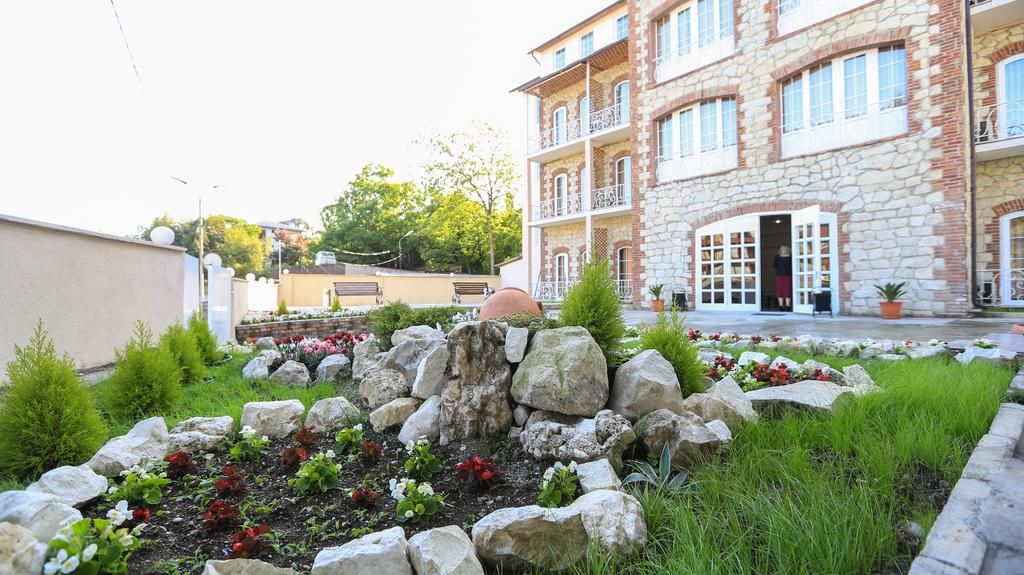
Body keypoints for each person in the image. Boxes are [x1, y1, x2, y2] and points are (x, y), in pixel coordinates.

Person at [774, 245, 792, 311]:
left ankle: (781, 306)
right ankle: (788, 306)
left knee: (780, 290)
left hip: (779, 275)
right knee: (787, 290)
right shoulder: (790, 257)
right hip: (788, 275)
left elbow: (774, 265)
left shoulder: (777, 257)